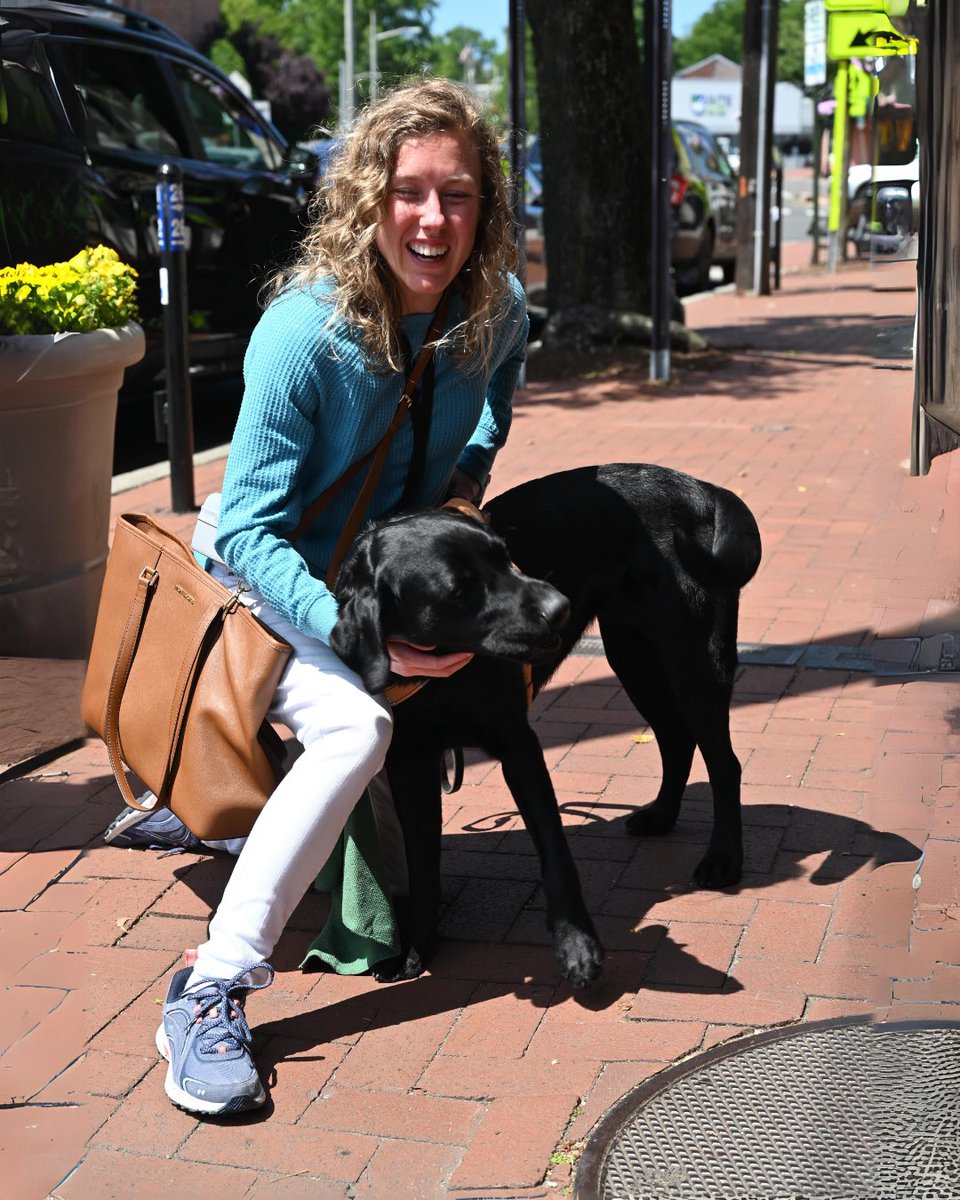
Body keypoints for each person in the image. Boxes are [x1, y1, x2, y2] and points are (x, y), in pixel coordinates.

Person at [109, 78, 528, 1117]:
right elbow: (245, 529)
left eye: (459, 194)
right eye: (409, 192)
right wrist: (366, 640)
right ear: (367, 201)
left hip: (366, 571)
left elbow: (493, 410)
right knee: (350, 728)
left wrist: (461, 498)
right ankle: (212, 986)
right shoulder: (305, 332)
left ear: (487, 206)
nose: (433, 220)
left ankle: (224, 801)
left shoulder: (497, 310)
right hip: (265, 572)